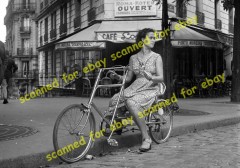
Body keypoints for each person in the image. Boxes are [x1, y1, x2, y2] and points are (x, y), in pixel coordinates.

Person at [108, 28, 164, 152]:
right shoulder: (133, 58)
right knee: (114, 99)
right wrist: (118, 77)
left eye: (154, 37)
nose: (154, 40)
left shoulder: (156, 57)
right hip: (135, 87)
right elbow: (128, 79)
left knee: (131, 103)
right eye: (151, 37)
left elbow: (161, 77)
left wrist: (151, 76)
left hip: (150, 87)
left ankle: (146, 138)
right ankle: (118, 126)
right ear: (143, 40)